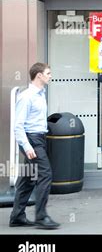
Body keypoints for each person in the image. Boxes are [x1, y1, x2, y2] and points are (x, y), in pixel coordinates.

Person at [10, 62, 60, 229]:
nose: (50, 76)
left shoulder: (40, 94)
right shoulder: (26, 96)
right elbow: (18, 125)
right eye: (48, 73)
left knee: (28, 179)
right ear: (39, 75)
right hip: (31, 140)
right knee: (45, 174)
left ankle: (17, 216)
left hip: (38, 138)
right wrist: (27, 146)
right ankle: (41, 216)